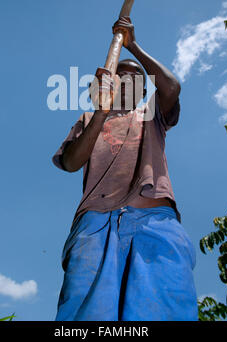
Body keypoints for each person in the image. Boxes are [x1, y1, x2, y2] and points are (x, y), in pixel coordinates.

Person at [52, 16, 198, 321]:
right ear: (110, 84)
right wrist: (101, 112)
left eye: (137, 78)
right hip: (94, 224)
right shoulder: (88, 118)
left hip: (155, 222)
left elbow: (172, 87)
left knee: (163, 310)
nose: (130, 80)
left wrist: (134, 47)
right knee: (86, 317)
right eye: (122, 76)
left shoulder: (151, 114)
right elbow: (70, 162)